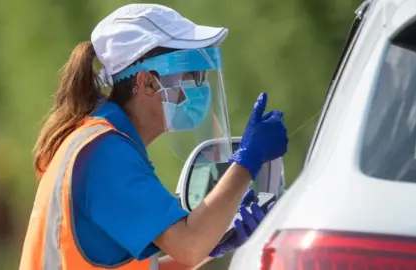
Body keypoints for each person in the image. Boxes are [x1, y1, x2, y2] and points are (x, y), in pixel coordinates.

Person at [19, 3, 288, 270]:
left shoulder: (101, 143)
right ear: (147, 82)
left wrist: (215, 244)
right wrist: (248, 159)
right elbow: (189, 245)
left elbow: (157, 262)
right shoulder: (105, 154)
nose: (202, 87)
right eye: (192, 75)